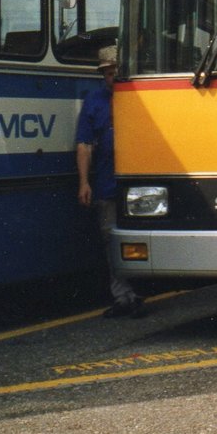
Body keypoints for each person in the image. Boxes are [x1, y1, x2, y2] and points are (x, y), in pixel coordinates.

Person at [77, 44, 144, 318]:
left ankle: (135, 293)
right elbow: (84, 144)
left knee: (137, 239)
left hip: (140, 184)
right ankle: (123, 296)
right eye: (107, 73)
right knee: (110, 239)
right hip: (106, 182)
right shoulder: (94, 102)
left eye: (117, 71)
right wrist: (84, 182)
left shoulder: (142, 99)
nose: (112, 77)